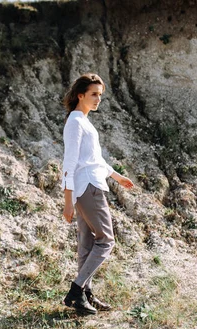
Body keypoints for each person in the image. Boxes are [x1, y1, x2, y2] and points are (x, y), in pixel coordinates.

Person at [60, 73, 134, 315]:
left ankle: (85, 295)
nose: (98, 99)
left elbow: (94, 160)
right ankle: (76, 291)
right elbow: (69, 163)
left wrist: (116, 176)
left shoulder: (83, 121)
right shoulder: (75, 122)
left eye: (100, 95)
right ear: (80, 95)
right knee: (106, 240)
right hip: (87, 188)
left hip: (90, 183)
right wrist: (67, 201)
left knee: (87, 243)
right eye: (93, 94)